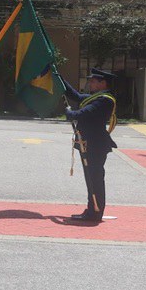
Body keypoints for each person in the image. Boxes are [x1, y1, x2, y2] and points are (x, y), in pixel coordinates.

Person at [59, 69, 118, 222]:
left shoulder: (105, 100)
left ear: (102, 83)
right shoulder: (95, 97)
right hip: (89, 143)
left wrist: (69, 112)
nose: (89, 83)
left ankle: (95, 212)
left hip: (95, 144)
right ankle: (92, 210)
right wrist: (58, 77)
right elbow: (76, 96)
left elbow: (81, 114)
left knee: (95, 179)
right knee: (91, 178)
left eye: (93, 81)